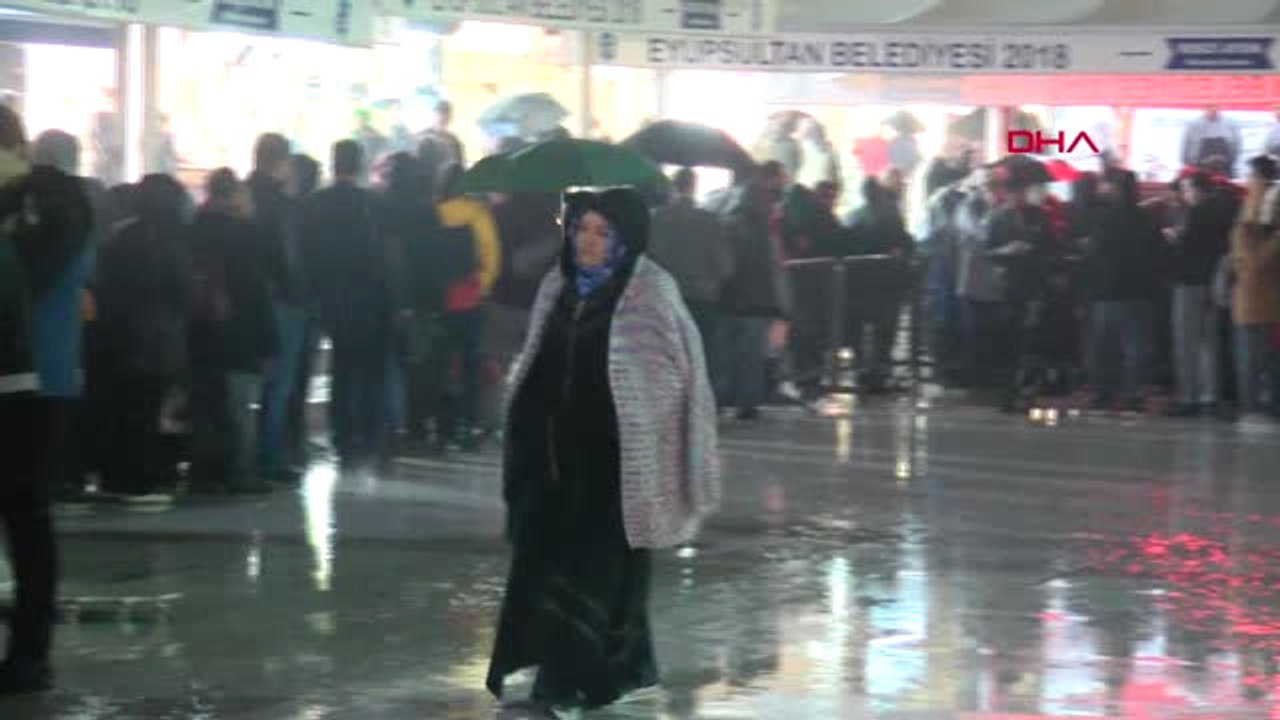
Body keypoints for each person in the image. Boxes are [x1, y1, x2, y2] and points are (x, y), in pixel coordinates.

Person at [487, 187, 720, 714]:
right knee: (549, 565)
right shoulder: (558, 286)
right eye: (580, 230)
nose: (587, 242)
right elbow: (537, 358)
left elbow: (675, 375)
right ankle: (595, 667)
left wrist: (630, 411)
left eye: (601, 233)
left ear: (625, 238)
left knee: (598, 571)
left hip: (618, 468)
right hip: (554, 462)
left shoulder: (650, 292)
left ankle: (569, 680)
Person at [0, 106, 91, 696]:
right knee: (29, 520)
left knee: (27, 519)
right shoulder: (61, 216)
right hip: (40, 378)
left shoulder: (30, 218)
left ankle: (31, 648)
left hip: (22, 382)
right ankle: (31, 645)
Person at [92, 174, 192, 498]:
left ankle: (116, 475)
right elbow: (182, 293)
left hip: (118, 337)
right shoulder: (170, 242)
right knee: (146, 410)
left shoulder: (119, 239)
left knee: (122, 408)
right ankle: (140, 479)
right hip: (157, 340)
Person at [300, 140, 397, 468]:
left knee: (341, 369)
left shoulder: (315, 204)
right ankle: (369, 435)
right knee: (370, 371)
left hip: (329, 297)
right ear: (360, 165)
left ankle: (342, 437)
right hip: (370, 299)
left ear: (333, 163)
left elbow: (306, 253)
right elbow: (386, 256)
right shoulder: (374, 203)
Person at [188, 169, 278, 494]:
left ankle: (203, 473)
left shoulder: (191, 228)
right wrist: (269, 344)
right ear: (235, 195)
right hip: (237, 333)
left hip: (199, 332)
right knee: (240, 407)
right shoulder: (243, 234)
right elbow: (256, 292)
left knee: (204, 406)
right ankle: (240, 471)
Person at [29, 131, 102, 501]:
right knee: (55, 402)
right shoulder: (79, 202)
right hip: (60, 320)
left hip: (29, 324)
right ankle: (55, 479)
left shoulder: (25, 197)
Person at [247, 133, 306, 483]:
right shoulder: (284, 206)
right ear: (282, 162)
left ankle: (244, 449)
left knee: (248, 379)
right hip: (281, 302)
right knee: (279, 382)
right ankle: (269, 455)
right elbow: (290, 260)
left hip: (243, 298)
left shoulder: (241, 196)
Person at [1084, 169, 1166, 412]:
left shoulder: (1104, 219)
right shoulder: (1146, 219)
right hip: (1138, 293)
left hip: (1107, 292)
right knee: (1136, 347)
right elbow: (1159, 253)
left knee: (1104, 347)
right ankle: (1134, 393)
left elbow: (1095, 254)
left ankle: (1103, 393)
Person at [434, 163, 500, 450]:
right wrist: (482, 287)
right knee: (470, 363)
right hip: (470, 297)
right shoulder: (477, 213)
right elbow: (491, 254)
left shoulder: (435, 213)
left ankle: (443, 427)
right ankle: (468, 425)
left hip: (439, 300)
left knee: (443, 362)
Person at [718, 163, 791, 419]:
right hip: (758, 300)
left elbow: (724, 263)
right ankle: (747, 402)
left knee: (728, 351)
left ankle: (724, 397)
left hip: (730, 297)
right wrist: (784, 305)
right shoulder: (765, 228)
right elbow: (774, 267)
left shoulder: (729, 220)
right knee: (752, 354)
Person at [649, 167, 734, 367]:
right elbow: (725, 266)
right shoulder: (709, 221)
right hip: (702, 299)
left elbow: (648, 258)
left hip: (664, 297)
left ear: (672, 186)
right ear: (693, 187)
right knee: (698, 361)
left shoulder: (656, 219)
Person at [985, 171, 1056, 411]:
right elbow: (986, 251)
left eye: (1023, 192)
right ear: (1007, 194)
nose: (1020, 197)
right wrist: (1006, 251)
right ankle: (1007, 392)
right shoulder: (996, 218)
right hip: (1006, 287)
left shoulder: (1037, 216)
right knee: (1007, 342)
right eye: (1015, 193)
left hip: (1031, 285)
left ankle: (1027, 390)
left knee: (1030, 342)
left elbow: (1050, 246)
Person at [1167, 171, 1233, 417]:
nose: (1184, 194)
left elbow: (1186, 248)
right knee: (1209, 343)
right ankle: (1210, 396)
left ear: (1197, 190)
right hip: (1213, 284)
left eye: (1187, 189)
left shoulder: (1194, 214)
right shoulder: (1222, 213)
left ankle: (1188, 397)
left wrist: (1174, 239)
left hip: (1189, 284)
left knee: (1187, 342)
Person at [846, 177, 913, 393]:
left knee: (860, 333)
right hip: (886, 285)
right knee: (884, 333)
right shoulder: (891, 217)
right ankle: (879, 374)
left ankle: (861, 372)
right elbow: (905, 244)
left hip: (859, 284)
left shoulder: (854, 217)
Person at [1230, 155, 1280, 425]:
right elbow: (1253, 261)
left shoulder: (1257, 211)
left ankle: (1257, 407)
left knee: (1259, 361)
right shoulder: (1249, 220)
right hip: (1255, 303)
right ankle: (1252, 409)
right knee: (1253, 362)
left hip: (1262, 303)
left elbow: (1252, 261)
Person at [955, 168, 1006, 388]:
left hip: (994, 284)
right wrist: (993, 214)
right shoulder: (968, 208)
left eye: (997, 186)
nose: (995, 191)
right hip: (973, 282)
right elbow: (980, 236)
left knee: (991, 332)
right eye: (990, 186)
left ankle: (988, 376)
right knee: (974, 332)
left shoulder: (997, 209)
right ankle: (975, 379)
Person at [1182, 106, 1242, 178]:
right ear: (1204, 108)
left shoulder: (1231, 124)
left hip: (1225, 171)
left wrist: (1231, 164)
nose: (1212, 110)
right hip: (1199, 171)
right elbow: (1185, 149)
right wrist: (1189, 166)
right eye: (1209, 107)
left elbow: (1237, 148)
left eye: (1215, 107)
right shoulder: (1193, 125)